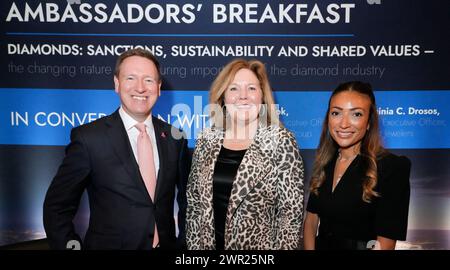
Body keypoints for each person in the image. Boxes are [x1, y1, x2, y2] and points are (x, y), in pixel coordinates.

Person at [43, 48, 190, 250]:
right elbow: (56, 207)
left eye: (148, 80)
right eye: (131, 78)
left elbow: (189, 202)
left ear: (158, 87)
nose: (140, 88)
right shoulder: (89, 138)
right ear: (117, 84)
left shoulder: (175, 138)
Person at [186, 59, 304, 250]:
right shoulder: (206, 140)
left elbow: (290, 216)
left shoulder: (281, 141)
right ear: (223, 96)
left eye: (251, 88)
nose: (243, 96)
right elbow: (194, 205)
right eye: (233, 89)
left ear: (262, 96)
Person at [303, 81, 411, 250]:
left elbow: (385, 243)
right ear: (328, 118)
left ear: (369, 122)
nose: (344, 123)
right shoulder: (325, 162)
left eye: (357, 114)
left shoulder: (392, 167)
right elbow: (310, 222)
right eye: (336, 113)